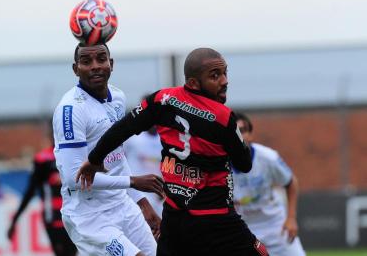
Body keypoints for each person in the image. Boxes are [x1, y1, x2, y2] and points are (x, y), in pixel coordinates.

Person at [77, 47, 269, 256]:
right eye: (215, 76)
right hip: (216, 219)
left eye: (225, 73)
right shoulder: (223, 117)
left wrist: (95, 158)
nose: (224, 81)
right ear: (194, 83)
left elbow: (124, 127)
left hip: (175, 219)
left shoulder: (161, 99)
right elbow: (244, 164)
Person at [52, 43, 163, 256]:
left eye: (101, 59)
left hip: (122, 205)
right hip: (90, 217)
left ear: (111, 64)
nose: (95, 66)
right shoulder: (71, 110)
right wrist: (133, 181)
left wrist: (141, 202)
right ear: (75, 69)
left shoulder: (118, 98)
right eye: (86, 62)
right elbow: (74, 179)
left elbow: (117, 158)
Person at [232, 112, 306, 256]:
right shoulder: (218, 162)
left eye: (243, 131)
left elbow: (291, 182)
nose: (240, 136)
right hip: (242, 229)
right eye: (235, 132)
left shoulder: (268, 158)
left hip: (274, 226)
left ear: (251, 135)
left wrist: (291, 219)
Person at [7, 127, 77, 256]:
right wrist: (15, 220)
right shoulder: (43, 159)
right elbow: (30, 191)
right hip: (53, 217)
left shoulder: (76, 156)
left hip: (75, 216)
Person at [124, 125, 164, 217]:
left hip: (156, 194)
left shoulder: (164, 142)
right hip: (134, 191)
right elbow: (121, 160)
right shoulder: (133, 139)